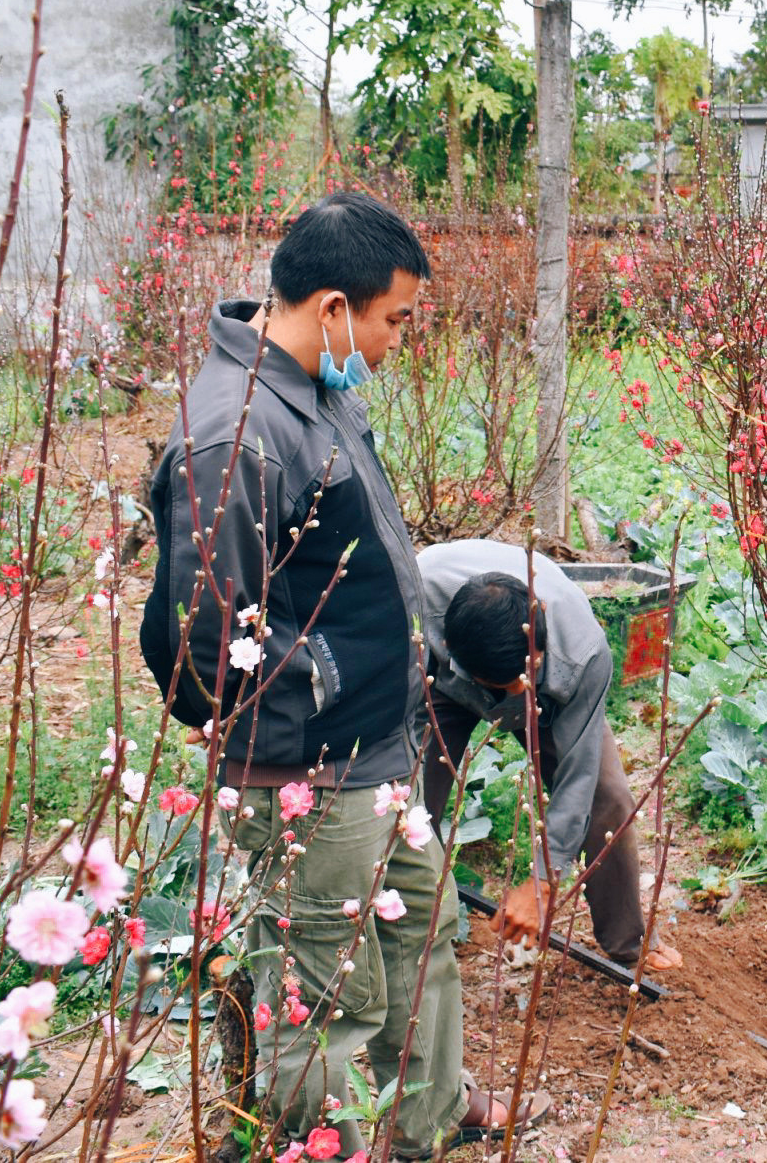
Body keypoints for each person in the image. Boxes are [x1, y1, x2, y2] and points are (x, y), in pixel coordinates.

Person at [139, 192, 545, 1156]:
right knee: (323, 991)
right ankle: (314, 1146)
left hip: (375, 751)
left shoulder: (315, 393)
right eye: (394, 319)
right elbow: (204, 636)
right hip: (309, 774)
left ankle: (427, 1122)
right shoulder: (234, 435)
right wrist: (316, 680)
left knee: (423, 934)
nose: (399, 340)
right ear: (332, 308)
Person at [418, 539, 683, 975]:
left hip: (554, 684)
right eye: (508, 685)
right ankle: (394, 920)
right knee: (407, 803)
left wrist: (543, 881)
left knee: (607, 796)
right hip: (440, 685)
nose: (521, 693)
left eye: (529, 674)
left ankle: (629, 941)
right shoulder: (413, 603)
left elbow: (578, 776)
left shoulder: (583, 653)